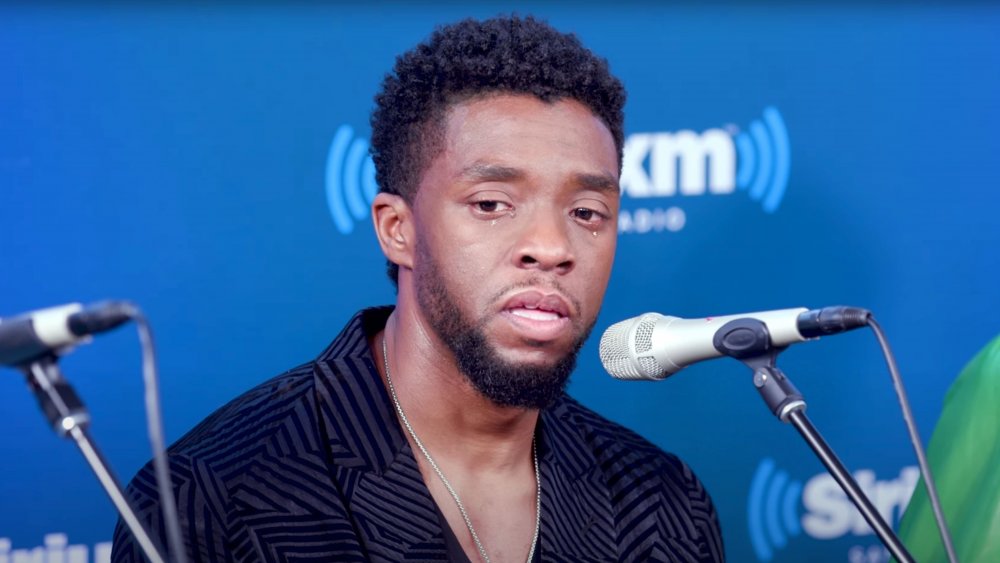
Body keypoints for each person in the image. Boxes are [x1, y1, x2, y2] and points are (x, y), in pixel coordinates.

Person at [112, 15, 724, 562]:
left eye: (587, 212)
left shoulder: (665, 506)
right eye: (491, 203)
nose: (553, 247)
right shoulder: (212, 498)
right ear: (398, 230)